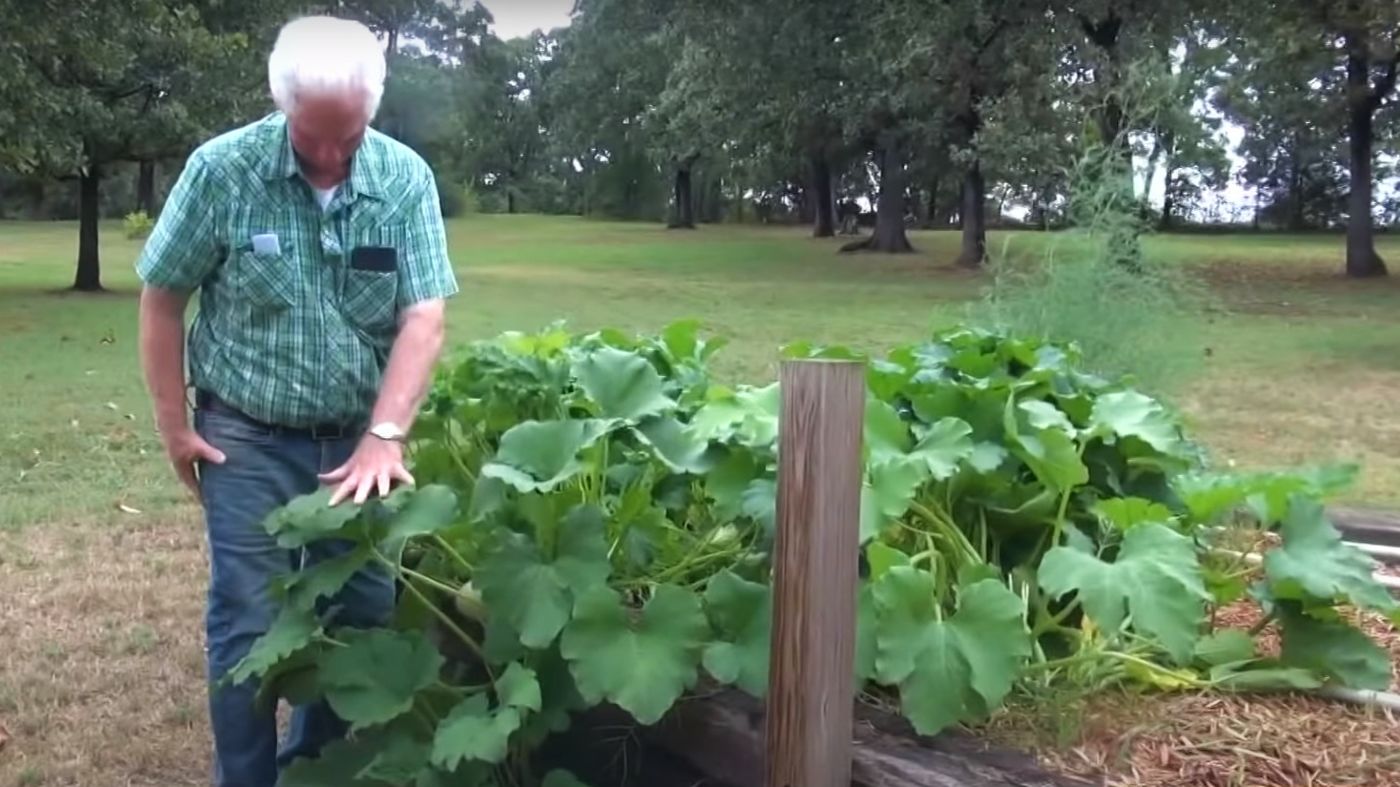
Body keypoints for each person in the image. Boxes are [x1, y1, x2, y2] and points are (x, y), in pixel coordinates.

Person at [135, 14, 458, 786]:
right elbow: (162, 296)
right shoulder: (222, 171)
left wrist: (386, 433)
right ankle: (244, 778)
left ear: (371, 109)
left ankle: (321, 768)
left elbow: (424, 315)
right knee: (247, 624)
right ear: (282, 105)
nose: (327, 155)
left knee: (360, 620)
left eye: (345, 138)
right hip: (244, 436)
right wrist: (175, 424)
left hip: (358, 443)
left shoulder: (403, 178)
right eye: (311, 135)